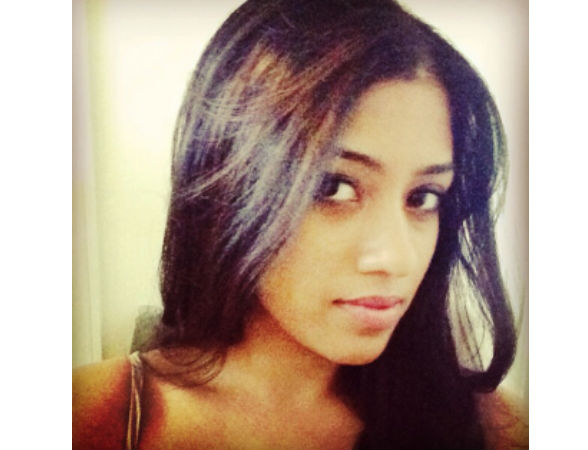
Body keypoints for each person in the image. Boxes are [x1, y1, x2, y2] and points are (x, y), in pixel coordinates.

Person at [73, 0, 527, 448]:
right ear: (228, 183)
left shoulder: (499, 430)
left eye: (423, 197)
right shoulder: (91, 417)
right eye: (334, 186)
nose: (397, 258)